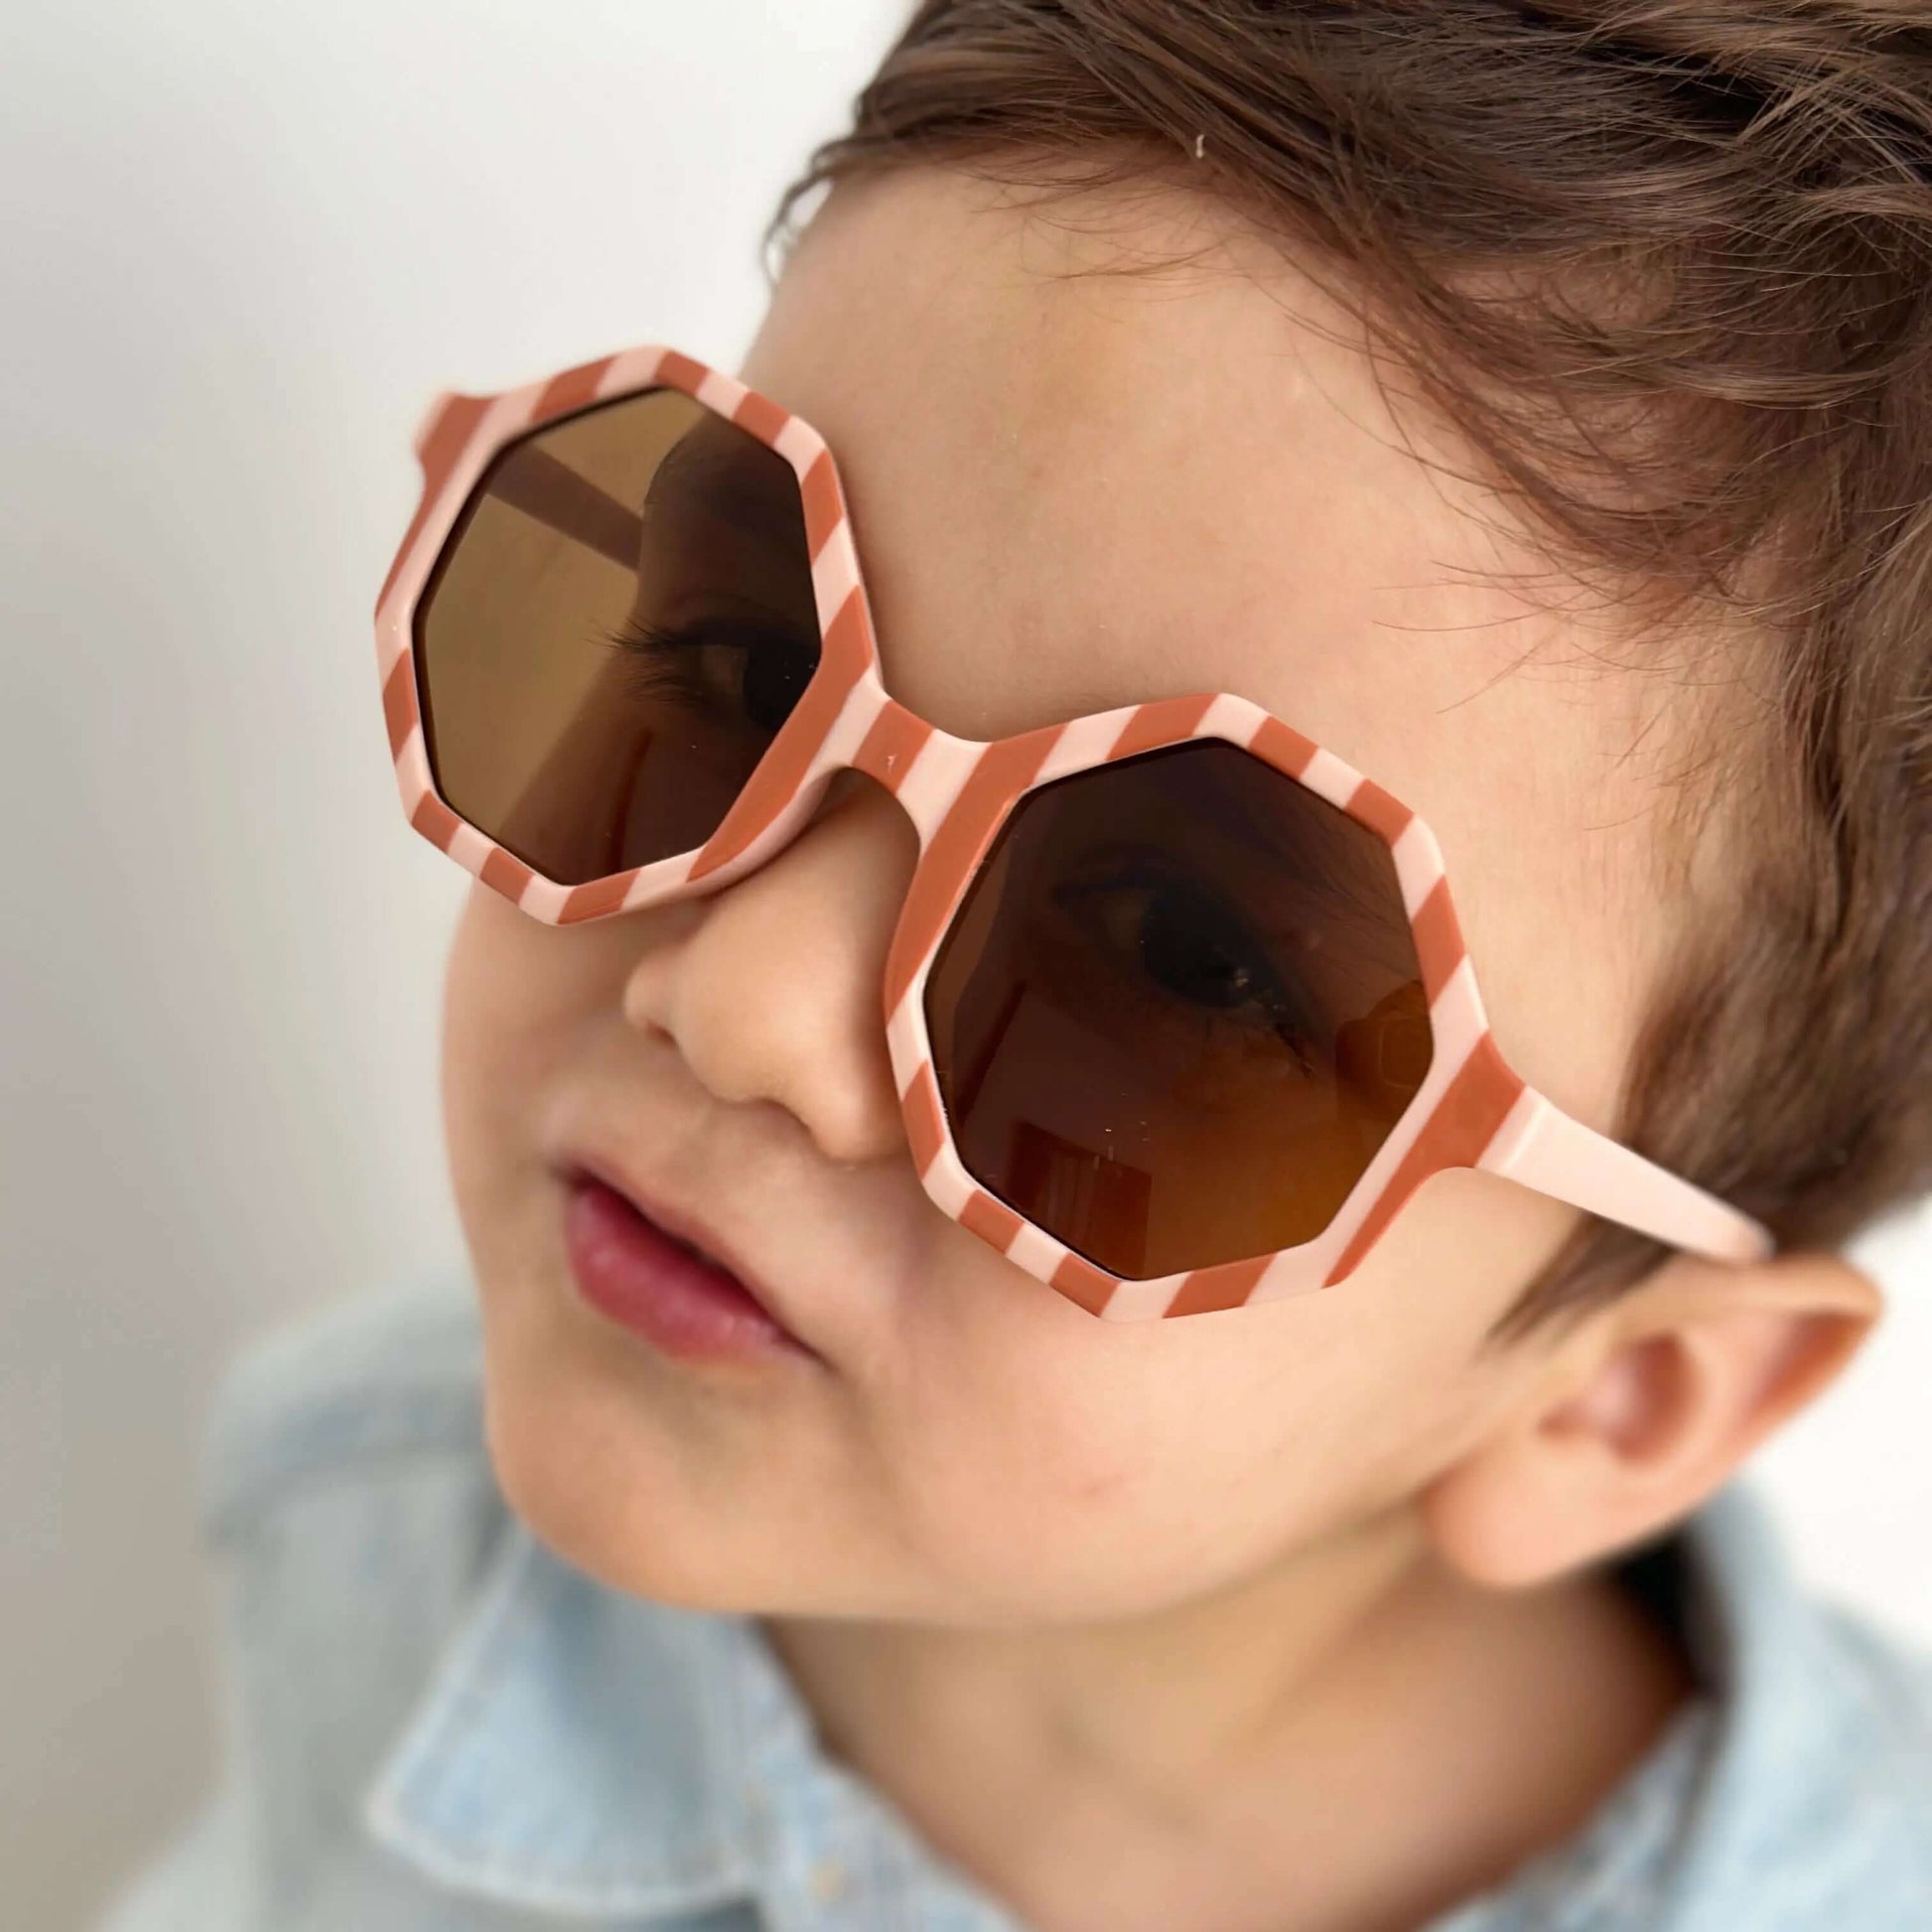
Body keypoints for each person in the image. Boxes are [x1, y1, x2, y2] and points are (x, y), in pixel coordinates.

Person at [103, 5, 1932, 1928]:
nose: (734, 1004)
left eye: (1179, 963)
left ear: (1615, 1399)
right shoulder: (383, 1532)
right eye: (734, 660)